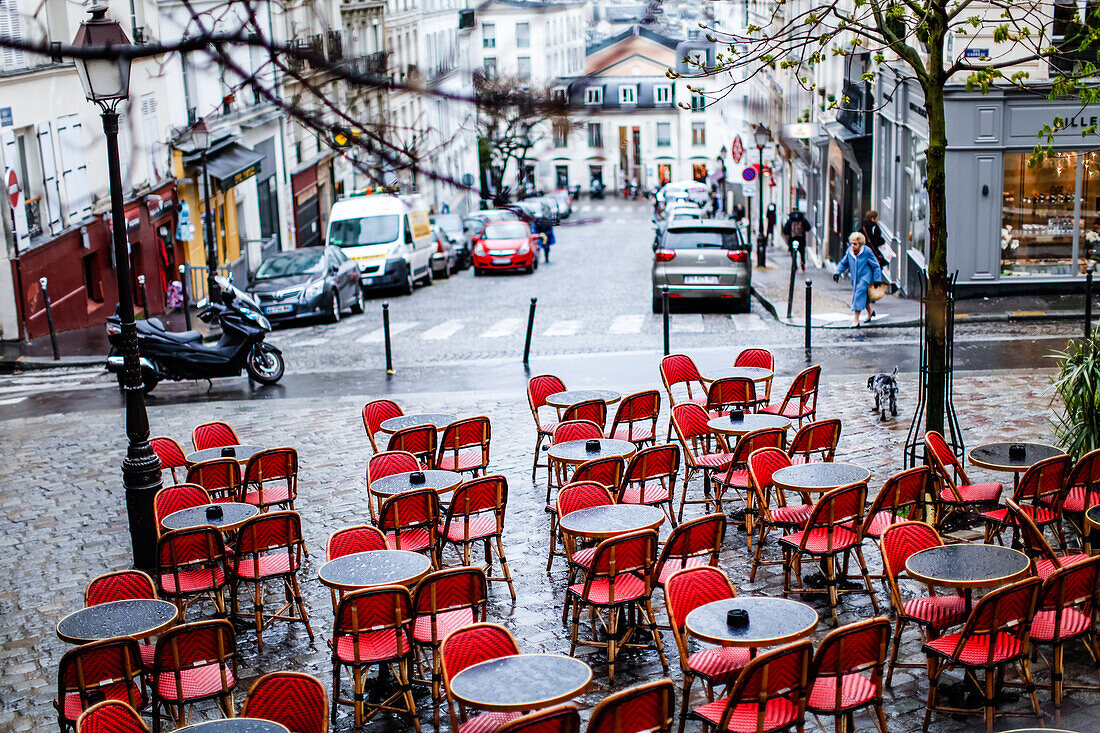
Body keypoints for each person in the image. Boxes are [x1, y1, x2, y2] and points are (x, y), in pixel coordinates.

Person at [833, 232, 883, 327]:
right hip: (855, 278)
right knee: (864, 296)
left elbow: (876, 265)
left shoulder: (867, 251)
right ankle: (870, 312)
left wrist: (877, 280)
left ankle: (856, 320)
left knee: (859, 295)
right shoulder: (849, 251)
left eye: (855, 244)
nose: (853, 246)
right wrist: (837, 273)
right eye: (851, 243)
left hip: (865, 277)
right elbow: (843, 263)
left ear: (860, 243)